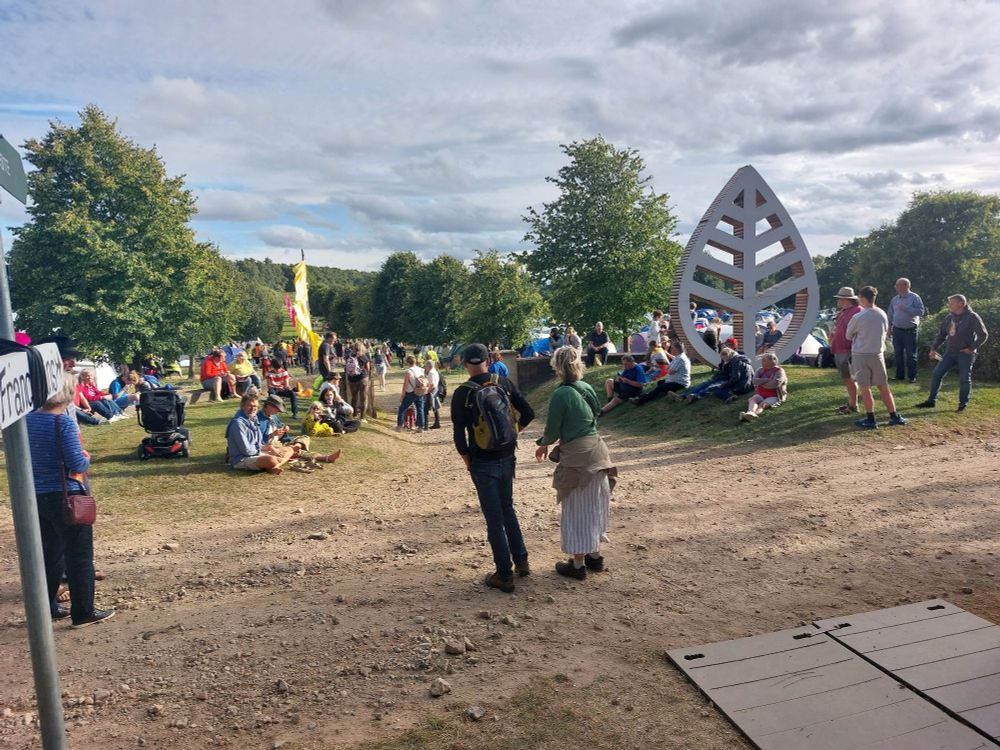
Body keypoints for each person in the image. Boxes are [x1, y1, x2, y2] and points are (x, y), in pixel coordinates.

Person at [25, 375, 115, 628]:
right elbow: (76, 463)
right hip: (67, 496)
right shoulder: (62, 423)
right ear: (67, 394)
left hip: (36, 496)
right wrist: (87, 458)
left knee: (50, 554)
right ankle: (83, 612)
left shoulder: (26, 421)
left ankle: (47, 607)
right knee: (79, 555)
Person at [452, 343, 535, 593]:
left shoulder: (463, 393)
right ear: (488, 360)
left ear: (465, 364)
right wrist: (512, 433)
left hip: (482, 461)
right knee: (508, 508)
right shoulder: (503, 383)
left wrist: (468, 462)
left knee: (494, 518)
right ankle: (522, 561)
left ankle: (504, 575)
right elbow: (528, 413)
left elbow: (459, 436)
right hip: (507, 456)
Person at [535, 346, 617, 581]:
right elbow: (596, 413)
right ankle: (595, 556)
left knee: (577, 509)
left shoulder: (560, 394)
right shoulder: (586, 387)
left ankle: (578, 565)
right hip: (599, 452)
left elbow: (552, 429)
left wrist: (543, 444)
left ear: (557, 367)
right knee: (596, 504)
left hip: (578, 459)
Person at [845, 285, 907, 429]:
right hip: (877, 354)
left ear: (862, 298)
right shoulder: (882, 314)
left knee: (865, 388)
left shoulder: (858, 316)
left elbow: (848, 336)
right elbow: (885, 331)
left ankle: (871, 419)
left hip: (861, 355)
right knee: (884, 387)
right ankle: (894, 416)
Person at [916, 294, 990, 413]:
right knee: (937, 374)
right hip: (950, 353)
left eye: (952, 303)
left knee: (964, 379)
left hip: (965, 354)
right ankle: (931, 401)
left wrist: (971, 348)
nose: (949, 305)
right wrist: (933, 348)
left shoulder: (972, 317)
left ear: (961, 303)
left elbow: (983, 335)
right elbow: (941, 335)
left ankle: (962, 405)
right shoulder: (949, 317)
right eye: (949, 303)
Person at [258, 394, 340, 466]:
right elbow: (257, 441)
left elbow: (280, 427)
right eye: (277, 409)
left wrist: (284, 428)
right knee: (297, 452)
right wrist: (272, 435)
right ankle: (325, 457)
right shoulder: (258, 419)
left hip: (280, 442)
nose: (278, 411)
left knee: (304, 438)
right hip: (270, 446)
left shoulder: (273, 416)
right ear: (269, 406)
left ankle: (294, 448)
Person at [226, 393, 295, 474]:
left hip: (256, 453)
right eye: (250, 406)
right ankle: (272, 464)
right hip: (242, 458)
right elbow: (246, 450)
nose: (253, 409)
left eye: (255, 406)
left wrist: (268, 448)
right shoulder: (238, 424)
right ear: (242, 406)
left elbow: (257, 443)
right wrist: (263, 452)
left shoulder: (253, 419)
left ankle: (272, 466)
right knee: (271, 459)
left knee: (289, 450)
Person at [672, 347, 754, 403]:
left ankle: (695, 396)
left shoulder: (736, 361)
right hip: (740, 382)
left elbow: (735, 377)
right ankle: (685, 395)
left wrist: (724, 384)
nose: (723, 360)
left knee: (713, 387)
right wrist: (718, 373)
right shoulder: (734, 360)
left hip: (741, 385)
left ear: (727, 355)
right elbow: (725, 373)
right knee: (707, 384)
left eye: (724, 358)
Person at [831, 287, 863, 415]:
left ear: (846, 299)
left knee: (850, 378)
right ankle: (851, 403)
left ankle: (854, 405)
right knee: (846, 378)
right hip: (839, 349)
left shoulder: (857, 311)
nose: (838, 300)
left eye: (839, 298)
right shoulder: (843, 311)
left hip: (848, 350)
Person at [887, 277, 925, 383]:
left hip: (910, 330)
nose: (896, 287)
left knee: (910, 354)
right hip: (897, 330)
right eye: (896, 285)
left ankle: (912, 377)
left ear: (906, 286)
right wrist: (889, 328)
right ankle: (900, 376)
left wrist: (906, 308)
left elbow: (921, 312)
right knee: (898, 353)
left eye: (898, 285)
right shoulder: (894, 299)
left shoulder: (914, 297)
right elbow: (890, 314)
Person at [634, 341, 690, 405]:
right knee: (660, 382)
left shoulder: (680, 358)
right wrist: (667, 368)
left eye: (672, 348)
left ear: (676, 349)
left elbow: (670, 371)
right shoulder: (678, 357)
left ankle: (641, 400)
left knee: (660, 387)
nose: (671, 349)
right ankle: (665, 392)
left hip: (680, 383)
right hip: (674, 380)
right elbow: (668, 367)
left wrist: (667, 369)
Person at [739, 352, 788, 421]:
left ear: (773, 361)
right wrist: (767, 380)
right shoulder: (760, 370)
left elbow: (774, 384)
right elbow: (754, 381)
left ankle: (753, 414)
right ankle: (750, 413)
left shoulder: (779, 371)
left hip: (774, 396)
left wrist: (761, 382)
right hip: (761, 394)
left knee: (762, 405)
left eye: (764, 360)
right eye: (762, 360)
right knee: (752, 400)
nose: (762, 362)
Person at [396, 355, 428, 433]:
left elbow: (405, 384)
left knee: (402, 409)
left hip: (410, 392)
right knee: (420, 409)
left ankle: (399, 426)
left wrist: (402, 395)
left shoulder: (408, 371)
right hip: (420, 391)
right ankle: (420, 427)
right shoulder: (421, 370)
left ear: (408, 362)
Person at [346, 341, 371, 422]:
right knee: (363, 398)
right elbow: (368, 368)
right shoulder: (364, 356)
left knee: (354, 398)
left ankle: (354, 415)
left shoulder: (349, 355)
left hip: (352, 379)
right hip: (362, 379)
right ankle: (362, 417)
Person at [423, 357, 442, 430]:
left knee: (425, 408)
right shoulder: (435, 371)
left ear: (429, 366)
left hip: (432, 391)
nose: (425, 368)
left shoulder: (431, 373)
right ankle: (437, 423)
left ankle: (425, 426)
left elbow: (432, 384)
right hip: (435, 390)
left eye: (425, 366)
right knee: (435, 407)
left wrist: (427, 391)